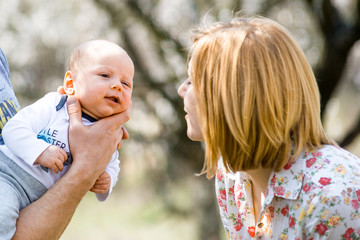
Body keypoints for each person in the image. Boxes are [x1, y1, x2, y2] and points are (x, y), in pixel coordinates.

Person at [178, 16, 360, 239]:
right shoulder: (231, 175)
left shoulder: (333, 198)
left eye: (193, 80)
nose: (181, 89)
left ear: (234, 98)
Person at [0, 40, 132, 239]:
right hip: (9, 177)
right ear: (71, 84)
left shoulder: (110, 132)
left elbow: (112, 163)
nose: (117, 86)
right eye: (105, 75)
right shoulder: (55, 105)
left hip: (41, 199)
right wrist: (41, 151)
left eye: (126, 83)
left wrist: (108, 179)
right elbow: (12, 129)